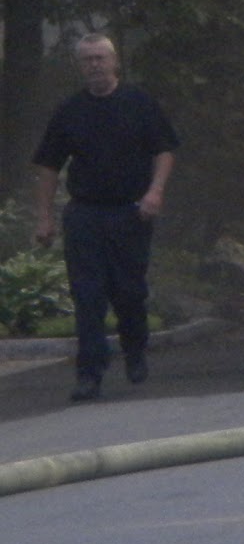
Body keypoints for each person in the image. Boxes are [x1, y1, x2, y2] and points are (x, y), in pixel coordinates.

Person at [33, 33, 179, 401]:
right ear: (80, 67)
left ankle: (134, 350)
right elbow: (49, 167)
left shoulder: (138, 103)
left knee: (128, 292)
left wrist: (155, 191)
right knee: (88, 296)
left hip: (130, 213)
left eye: (100, 58)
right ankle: (89, 376)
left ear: (114, 62)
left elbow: (164, 149)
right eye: (87, 60)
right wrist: (44, 219)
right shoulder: (69, 111)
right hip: (85, 215)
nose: (95, 65)